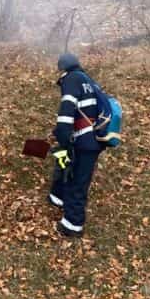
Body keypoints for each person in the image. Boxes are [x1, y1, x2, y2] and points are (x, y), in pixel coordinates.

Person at [47, 52, 104, 238]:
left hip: (82, 140)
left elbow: (66, 113)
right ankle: (57, 197)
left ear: (63, 69)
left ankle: (72, 225)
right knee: (68, 168)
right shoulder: (88, 80)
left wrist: (63, 139)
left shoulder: (71, 80)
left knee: (76, 179)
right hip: (94, 139)